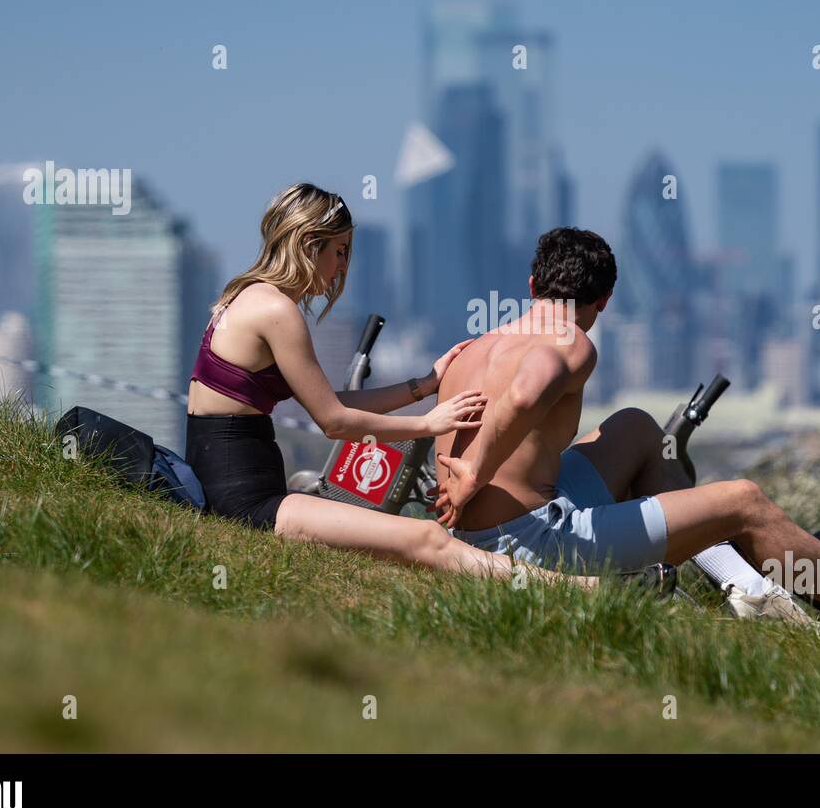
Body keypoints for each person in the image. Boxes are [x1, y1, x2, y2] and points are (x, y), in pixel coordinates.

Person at [432, 227, 820, 635]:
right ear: (603, 301)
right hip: (536, 543)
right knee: (745, 500)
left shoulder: (473, 348)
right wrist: (477, 469)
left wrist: (465, 479)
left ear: (531, 283)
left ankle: (744, 586)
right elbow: (530, 392)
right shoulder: (570, 339)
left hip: (475, 534)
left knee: (635, 429)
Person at [184, 182, 591, 588]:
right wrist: (429, 424)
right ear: (309, 243)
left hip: (231, 488)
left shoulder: (243, 296)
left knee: (415, 540)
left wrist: (423, 385)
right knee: (427, 538)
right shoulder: (276, 310)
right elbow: (334, 422)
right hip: (247, 504)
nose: (342, 267)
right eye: (339, 251)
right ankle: (579, 589)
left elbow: (327, 400)